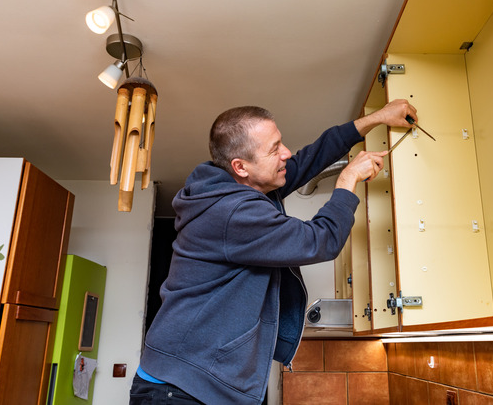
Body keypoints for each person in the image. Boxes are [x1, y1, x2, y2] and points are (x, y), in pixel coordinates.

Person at [130, 99, 418, 404]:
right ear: (241, 167)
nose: (286, 154)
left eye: (281, 142)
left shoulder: (238, 186)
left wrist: (376, 118)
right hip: (180, 389)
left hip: (189, 381)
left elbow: (309, 158)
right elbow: (321, 240)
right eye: (274, 149)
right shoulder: (234, 212)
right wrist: (347, 179)